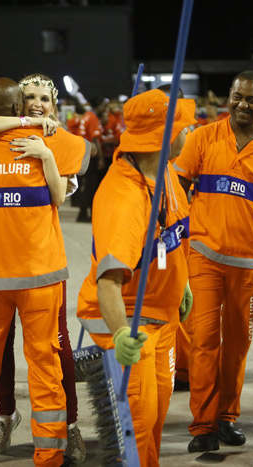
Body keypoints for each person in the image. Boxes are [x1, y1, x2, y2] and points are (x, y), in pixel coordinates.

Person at [0, 78, 89, 467]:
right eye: (30, 99)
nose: (37, 106)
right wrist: (38, 138)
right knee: (46, 362)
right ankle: (49, 450)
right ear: (18, 106)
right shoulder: (47, 140)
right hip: (38, 273)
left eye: (45, 99)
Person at [173, 70, 253, 452]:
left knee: (238, 345)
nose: (242, 104)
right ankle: (202, 426)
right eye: (237, 96)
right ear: (227, 98)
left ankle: (226, 417)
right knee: (204, 343)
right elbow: (177, 188)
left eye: (251, 99)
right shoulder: (202, 138)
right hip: (203, 257)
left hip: (248, 264)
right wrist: (173, 244)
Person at [76, 88, 195, 467]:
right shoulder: (123, 198)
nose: (189, 134)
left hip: (164, 316)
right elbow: (108, 281)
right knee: (139, 427)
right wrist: (121, 334)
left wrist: (185, 281)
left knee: (157, 416)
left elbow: (172, 235)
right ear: (163, 136)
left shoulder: (167, 175)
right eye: (183, 127)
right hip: (132, 322)